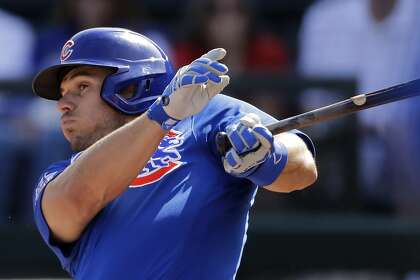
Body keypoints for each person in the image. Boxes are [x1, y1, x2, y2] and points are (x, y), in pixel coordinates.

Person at [32, 27, 317, 279]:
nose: (63, 104)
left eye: (81, 87)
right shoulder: (60, 176)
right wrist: (162, 114)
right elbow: (74, 203)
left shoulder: (204, 115)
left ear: (130, 87)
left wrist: (266, 156)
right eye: (62, 92)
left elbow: (303, 165)